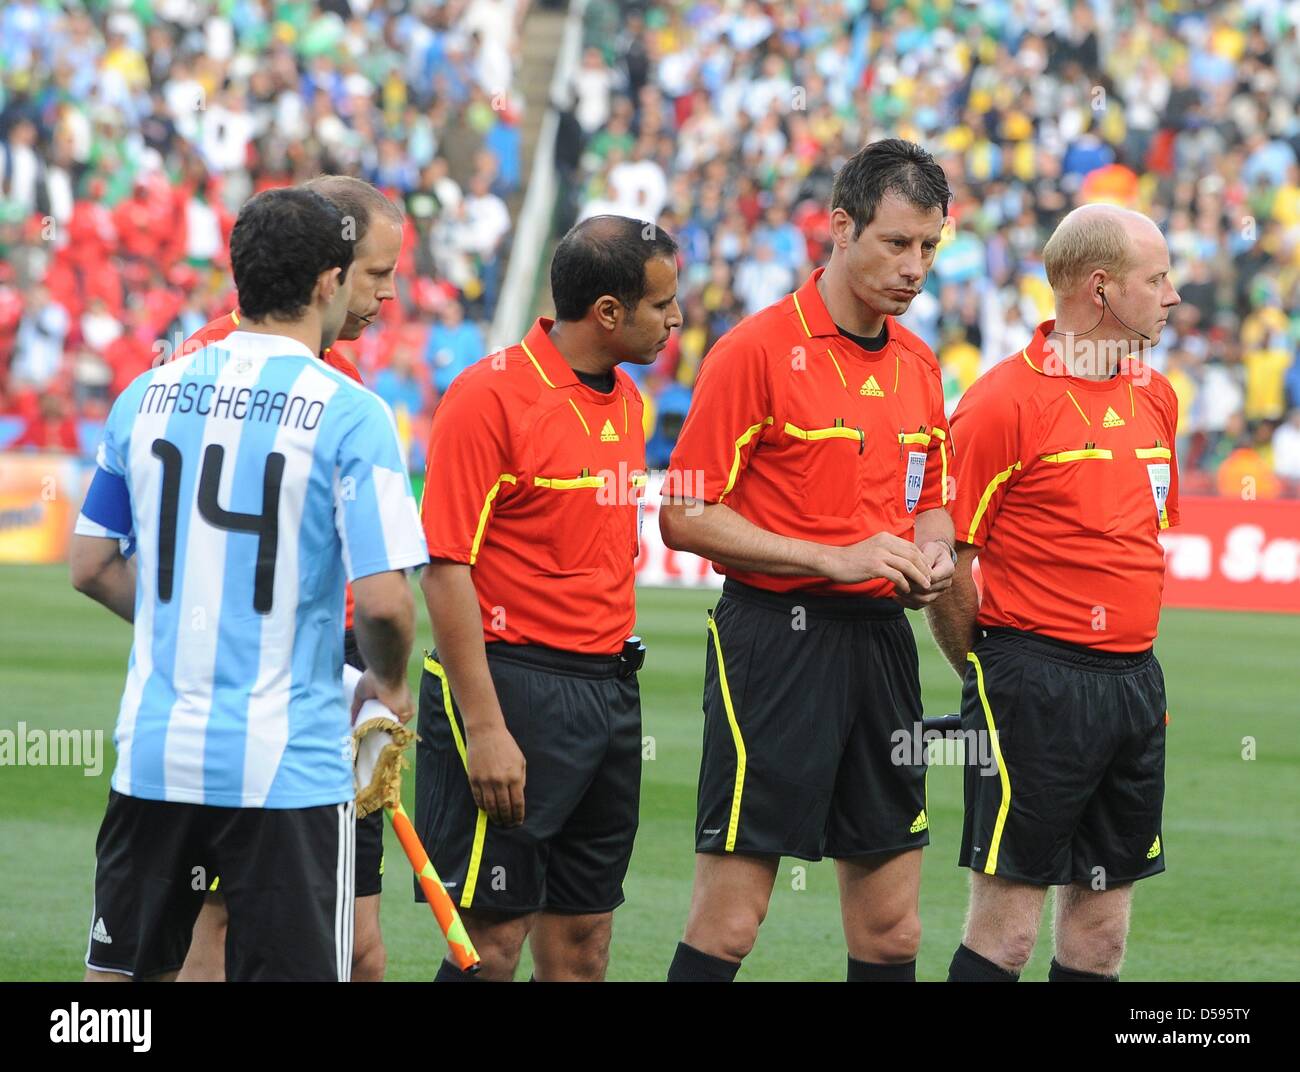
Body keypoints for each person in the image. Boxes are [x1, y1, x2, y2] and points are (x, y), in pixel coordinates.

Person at [71, 187, 427, 982]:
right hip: (287, 763)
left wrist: (183, 620)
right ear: (329, 279)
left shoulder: (148, 393)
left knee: (116, 991)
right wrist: (388, 683)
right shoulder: (351, 412)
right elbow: (384, 601)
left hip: (155, 753)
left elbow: (90, 564)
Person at [661, 139, 956, 983]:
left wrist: (932, 554)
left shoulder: (920, 363)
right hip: (775, 644)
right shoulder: (753, 352)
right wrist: (830, 558)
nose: (915, 267)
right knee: (731, 925)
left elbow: (931, 496)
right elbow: (682, 513)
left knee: (894, 932)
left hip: (883, 647)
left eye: (930, 247)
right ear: (839, 227)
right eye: (896, 243)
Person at [416, 215, 680, 982]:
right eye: (662, 304)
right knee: (490, 946)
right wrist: (487, 727)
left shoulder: (629, 401)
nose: (676, 320)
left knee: (582, 945)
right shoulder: (488, 398)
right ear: (607, 312)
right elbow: (444, 568)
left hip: (607, 693)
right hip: (514, 690)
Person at [929, 204, 1182, 983]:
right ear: (1101, 289)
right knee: (1006, 933)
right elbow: (946, 563)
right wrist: (995, 673)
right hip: (1033, 684)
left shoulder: (1157, 397)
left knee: (1101, 936)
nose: (1173, 296)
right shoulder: (1002, 401)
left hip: (1135, 683)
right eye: (1158, 278)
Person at [175, 175, 406, 983]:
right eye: (375, 274)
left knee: (360, 946)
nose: (385, 295)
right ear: (328, 271)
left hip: (335, 666)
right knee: (221, 917)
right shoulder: (208, 366)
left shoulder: (341, 377)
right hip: (259, 669)